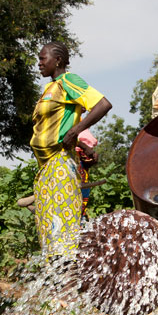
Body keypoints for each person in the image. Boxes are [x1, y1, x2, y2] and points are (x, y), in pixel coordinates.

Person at [30, 42, 112, 256]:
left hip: (60, 166)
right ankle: (55, 282)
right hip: (46, 169)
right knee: (49, 232)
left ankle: (69, 279)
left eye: (42, 58)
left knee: (63, 232)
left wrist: (77, 131)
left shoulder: (68, 80)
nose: (38, 63)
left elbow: (102, 104)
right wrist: (81, 142)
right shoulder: (51, 88)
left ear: (57, 60)